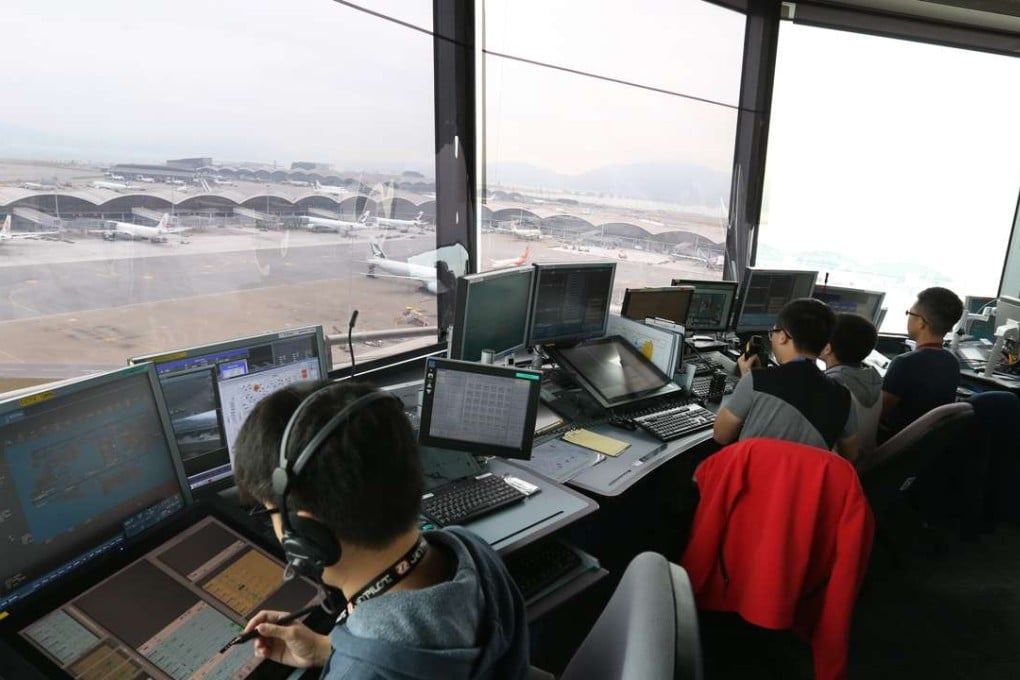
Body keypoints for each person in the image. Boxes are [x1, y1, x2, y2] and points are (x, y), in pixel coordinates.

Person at [233, 381, 529, 679]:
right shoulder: (471, 550)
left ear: (306, 530)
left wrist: (354, 664)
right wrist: (333, 651)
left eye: (270, 510)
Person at [713, 298, 859, 461]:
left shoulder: (757, 380)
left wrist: (747, 378)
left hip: (749, 482)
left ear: (782, 336)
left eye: (773, 332)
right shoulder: (843, 397)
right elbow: (850, 457)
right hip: (802, 485)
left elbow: (721, 435)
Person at [879, 287, 963, 441]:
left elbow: (879, 412)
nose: (908, 317)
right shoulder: (952, 362)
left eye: (910, 313)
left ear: (921, 322)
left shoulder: (905, 363)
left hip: (896, 444)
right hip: (926, 446)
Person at [820, 313, 883, 461]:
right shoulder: (875, 382)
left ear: (828, 348)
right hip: (866, 464)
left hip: (841, 468)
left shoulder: (831, 388)